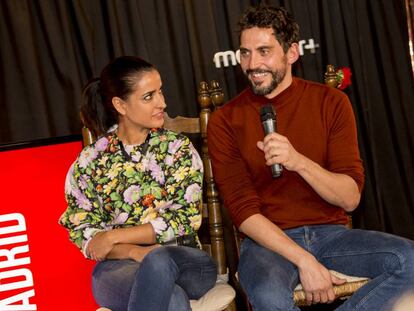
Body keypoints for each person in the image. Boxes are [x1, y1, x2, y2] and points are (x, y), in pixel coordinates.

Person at [207, 5, 414, 311]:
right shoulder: (225, 119)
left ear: (291, 53)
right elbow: (243, 212)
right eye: (245, 53)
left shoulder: (331, 102)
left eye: (264, 51)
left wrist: (298, 161)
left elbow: (350, 199)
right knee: (268, 297)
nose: (252, 64)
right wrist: (305, 260)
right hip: (268, 244)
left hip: (330, 236)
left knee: (410, 261)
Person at [59, 56, 216, 311]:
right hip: (119, 266)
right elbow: (85, 233)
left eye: (160, 92)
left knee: (159, 261)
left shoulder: (177, 149)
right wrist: (132, 251)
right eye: (148, 96)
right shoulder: (91, 160)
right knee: (171, 300)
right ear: (120, 105)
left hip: (184, 260)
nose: (162, 103)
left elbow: (184, 220)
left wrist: (114, 236)